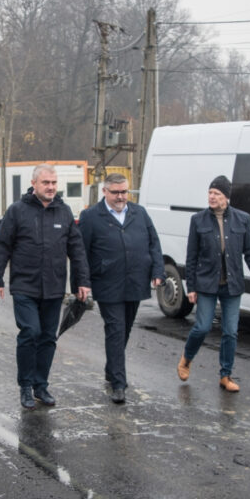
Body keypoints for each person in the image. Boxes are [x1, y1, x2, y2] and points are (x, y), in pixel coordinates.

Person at [0, 163, 90, 410]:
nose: (51, 187)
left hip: (54, 287)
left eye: (54, 183)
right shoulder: (17, 211)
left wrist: (82, 282)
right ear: (34, 184)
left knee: (48, 338)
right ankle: (25, 386)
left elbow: (77, 250)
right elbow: (2, 246)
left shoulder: (64, 212)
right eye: (46, 182)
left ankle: (40, 386)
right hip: (24, 285)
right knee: (30, 332)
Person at [79, 173, 164, 404]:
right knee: (115, 329)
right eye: (115, 192)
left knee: (124, 329)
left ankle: (112, 368)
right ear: (104, 191)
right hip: (107, 282)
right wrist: (81, 282)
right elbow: (81, 252)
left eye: (124, 192)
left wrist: (158, 271)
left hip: (135, 280)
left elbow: (154, 243)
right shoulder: (90, 217)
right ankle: (118, 383)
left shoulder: (140, 213)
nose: (120, 197)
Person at [178, 175, 250, 392]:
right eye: (210, 192)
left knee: (230, 332)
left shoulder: (242, 219)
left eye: (217, 193)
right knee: (202, 327)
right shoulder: (198, 220)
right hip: (207, 284)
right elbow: (192, 257)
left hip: (232, 286)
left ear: (226, 197)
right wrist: (191, 287)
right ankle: (187, 358)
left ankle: (225, 375)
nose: (212, 197)